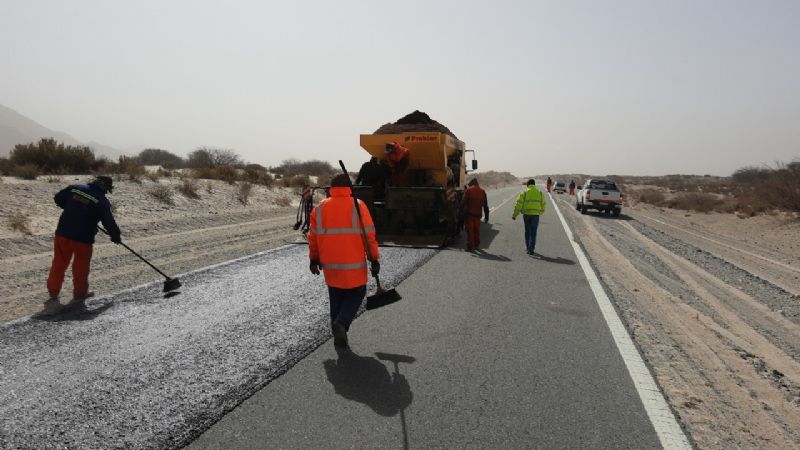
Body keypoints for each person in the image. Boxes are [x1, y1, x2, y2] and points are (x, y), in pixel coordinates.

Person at [308, 173, 380, 348]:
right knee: (356, 293)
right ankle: (342, 323)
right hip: (353, 265)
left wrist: (314, 259)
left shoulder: (320, 208)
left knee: (336, 296)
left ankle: (338, 331)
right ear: (349, 187)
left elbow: (313, 237)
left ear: (332, 188)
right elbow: (368, 236)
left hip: (330, 266)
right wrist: (374, 258)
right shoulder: (359, 206)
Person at [45, 175, 121, 310]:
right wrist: (115, 236)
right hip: (83, 238)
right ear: (105, 187)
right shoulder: (102, 201)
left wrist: (72, 208)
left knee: (59, 263)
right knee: (81, 267)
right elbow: (108, 222)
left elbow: (58, 198)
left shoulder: (75, 188)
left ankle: (53, 293)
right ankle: (80, 295)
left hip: (63, 233)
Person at [512, 179, 546, 255]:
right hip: (535, 216)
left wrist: (515, 215)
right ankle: (531, 249)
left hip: (526, 215)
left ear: (528, 185)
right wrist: (540, 212)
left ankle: (528, 247)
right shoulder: (540, 193)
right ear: (534, 184)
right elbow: (543, 204)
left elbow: (518, 204)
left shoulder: (524, 192)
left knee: (527, 231)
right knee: (533, 232)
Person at [461, 178, 489, 251]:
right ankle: (476, 245)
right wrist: (486, 217)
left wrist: (460, 211)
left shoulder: (469, 190)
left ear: (471, 184)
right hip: (478, 215)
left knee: (470, 231)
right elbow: (485, 206)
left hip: (469, 214)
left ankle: (470, 246)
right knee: (476, 230)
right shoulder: (482, 191)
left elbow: (463, 202)